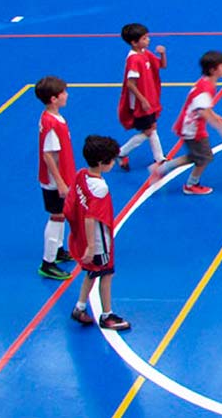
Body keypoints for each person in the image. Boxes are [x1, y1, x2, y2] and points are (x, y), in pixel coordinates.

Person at [149, 51, 222, 195]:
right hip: (193, 128)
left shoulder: (205, 82)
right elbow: (203, 111)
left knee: (197, 156)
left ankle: (161, 169)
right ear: (213, 70)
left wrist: (214, 114)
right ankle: (191, 185)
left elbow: (200, 106)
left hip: (190, 125)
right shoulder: (206, 88)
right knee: (204, 158)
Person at [66, 136, 130, 331]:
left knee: (91, 273)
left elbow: (72, 203)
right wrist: (92, 247)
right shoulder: (100, 188)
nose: (113, 164)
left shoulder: (82, 175)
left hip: (87, 237)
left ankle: (80, 307)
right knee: (106, 274)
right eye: (111, 160)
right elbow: (91, 217)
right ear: (102, 163)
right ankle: (107, 315)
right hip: (98, 240)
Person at [36, 76, 76, 280]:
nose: (66, 95)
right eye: (63, 93)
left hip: (62, 176)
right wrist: (60, 182)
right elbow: (49, 155)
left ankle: (58, 250)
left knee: (60, 215)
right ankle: (48, 262)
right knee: (57, 216)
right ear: (53, 99)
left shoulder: (53, 118)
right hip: (55, 180)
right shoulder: (51, 123)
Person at [116, 23, 167, 172]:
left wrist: (163, 54)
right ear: (134, 42)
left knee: (151, 128)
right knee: (149, 130)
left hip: (150, 99)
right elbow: (130, 84)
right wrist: (142, 100)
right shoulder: (134, 60)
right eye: (144, 38)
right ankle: (121, 152)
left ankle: (159, 158)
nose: (148, 40)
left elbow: (161, 65)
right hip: (141, 103)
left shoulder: (145, 53)